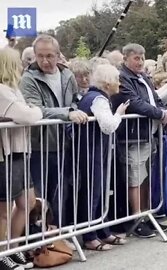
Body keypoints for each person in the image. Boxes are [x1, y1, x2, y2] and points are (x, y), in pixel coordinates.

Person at [20, 34, 88, 227]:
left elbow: (74, 100)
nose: (44, 60)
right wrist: (68, 113)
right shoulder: (28, 79)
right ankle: (37, 243)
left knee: (62, 194)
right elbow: (34, 109)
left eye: (49, 55)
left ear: (58, 55)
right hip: (40, 146)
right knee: (39, 198)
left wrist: (79, 106)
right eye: (40, 56)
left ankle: (60, 235)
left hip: (65, 143)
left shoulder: (67, 75)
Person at [111, 43, 167, 238]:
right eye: (136, 58)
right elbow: (134, 103)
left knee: (145, 178)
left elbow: (154, 97)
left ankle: (146, 215)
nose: (140, 62)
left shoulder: (143, 76)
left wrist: (163, 110)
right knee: (135, 178)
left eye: (142, 58)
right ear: (125, 59)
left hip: (148, 133)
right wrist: (158, 113)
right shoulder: (123, 78)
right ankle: (136, 219)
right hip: (132, 136)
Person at [76, 64, 128, 251]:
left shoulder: (93, 96)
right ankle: (90, 236)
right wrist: (119, 115)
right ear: (108, 83)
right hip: (92, 152)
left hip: (94, 150)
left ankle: (102, 230)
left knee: (99, 192)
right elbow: (108, 126)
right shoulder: (98, 99)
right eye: (116, 79)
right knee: (93, 193)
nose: (119, 83)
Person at [0, 47, 42, 270]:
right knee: (4, 210)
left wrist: (32, 111)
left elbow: (28, 114)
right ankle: (2, 254)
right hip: (6, 154)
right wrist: (35, 111)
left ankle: (12, 248)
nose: (21, 66)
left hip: (19, 151)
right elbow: (28, 115)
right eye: (17, 62)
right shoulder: (2, 91)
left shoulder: (12, 89)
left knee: (28, 202)